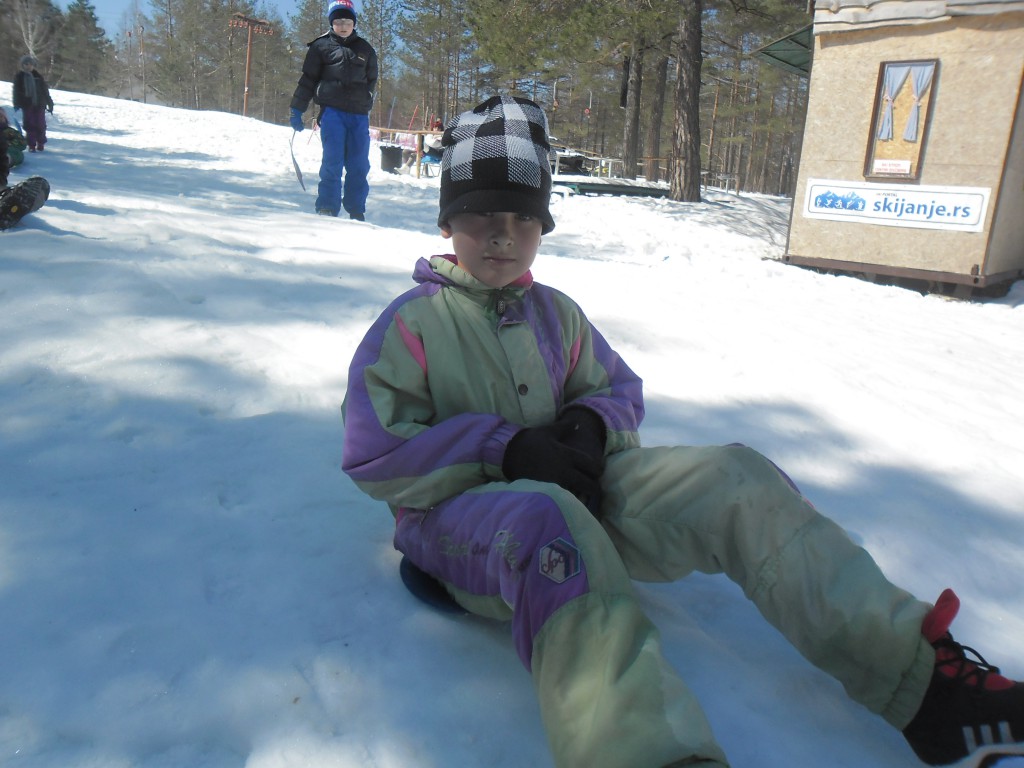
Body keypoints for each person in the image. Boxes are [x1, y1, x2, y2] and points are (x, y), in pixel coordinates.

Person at [340, 95, 1024, 768]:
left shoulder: (557, 314)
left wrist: (587, 426)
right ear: (447, 220)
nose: (503, 234)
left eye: (524, 217)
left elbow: (616, 392)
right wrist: (506, 448)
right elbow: (374, 453)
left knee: (734, 479)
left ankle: (926, 686)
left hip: (573, 499)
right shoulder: (413, 324)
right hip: (465, 530)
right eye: (483, 213)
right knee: (549, 519)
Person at [289, 0, 377, 221]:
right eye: (338, 22)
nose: (343, 26)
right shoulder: (320, 47)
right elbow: (308, 80)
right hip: (333, 113)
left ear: (354, 23)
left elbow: (371, 80)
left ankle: (356, 209)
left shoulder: (365, 49)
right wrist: (297, 108)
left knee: (359, 164)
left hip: (358, 115)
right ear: (331, 23)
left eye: (347, 21)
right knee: (332, 161)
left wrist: (367, 98)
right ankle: (327, 206)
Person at [12, 55, 54, 153]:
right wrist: (16, 104)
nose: (29, 66)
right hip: (27, 104)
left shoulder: (38, 76)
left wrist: (50, 103)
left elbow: (45, 90)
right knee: (29, 124)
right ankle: (31, 144)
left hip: (40, 104)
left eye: (30, 64)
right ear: (22, 65)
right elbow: (16, 92)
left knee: (41, 124)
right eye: (26, 64)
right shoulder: (20, 77)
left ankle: (41, 143)